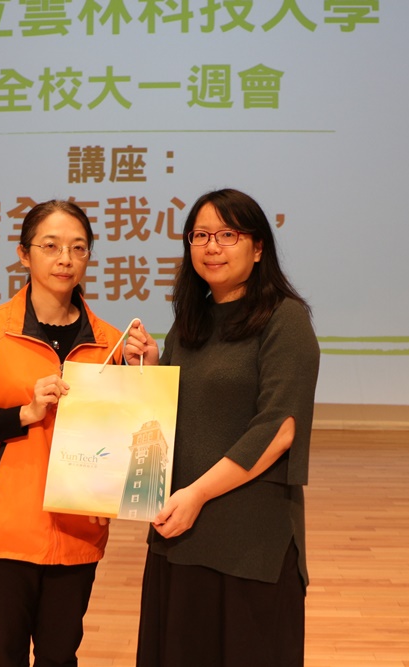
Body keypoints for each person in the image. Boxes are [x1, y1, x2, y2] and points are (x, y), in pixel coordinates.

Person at [124, 188, 320, 667]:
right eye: (201, 235)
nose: (212, 247)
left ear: (258, 248)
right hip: (180, 533)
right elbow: (178, 416)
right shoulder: (190, 323)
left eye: (227, 234)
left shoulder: (285, 319)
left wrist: (197, 494)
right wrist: (151, 369)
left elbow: (279, 429)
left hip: (248, 541)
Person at [0, 199, 123, 667]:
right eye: (51, 246)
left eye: (78, 248)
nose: (65, 259)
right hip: (3, 529)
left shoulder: (110, 343)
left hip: (77, 530)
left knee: (60, 656)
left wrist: (148, 368)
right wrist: (24, 413)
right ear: (24, 254)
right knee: (4, 654)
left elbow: (125, 439)